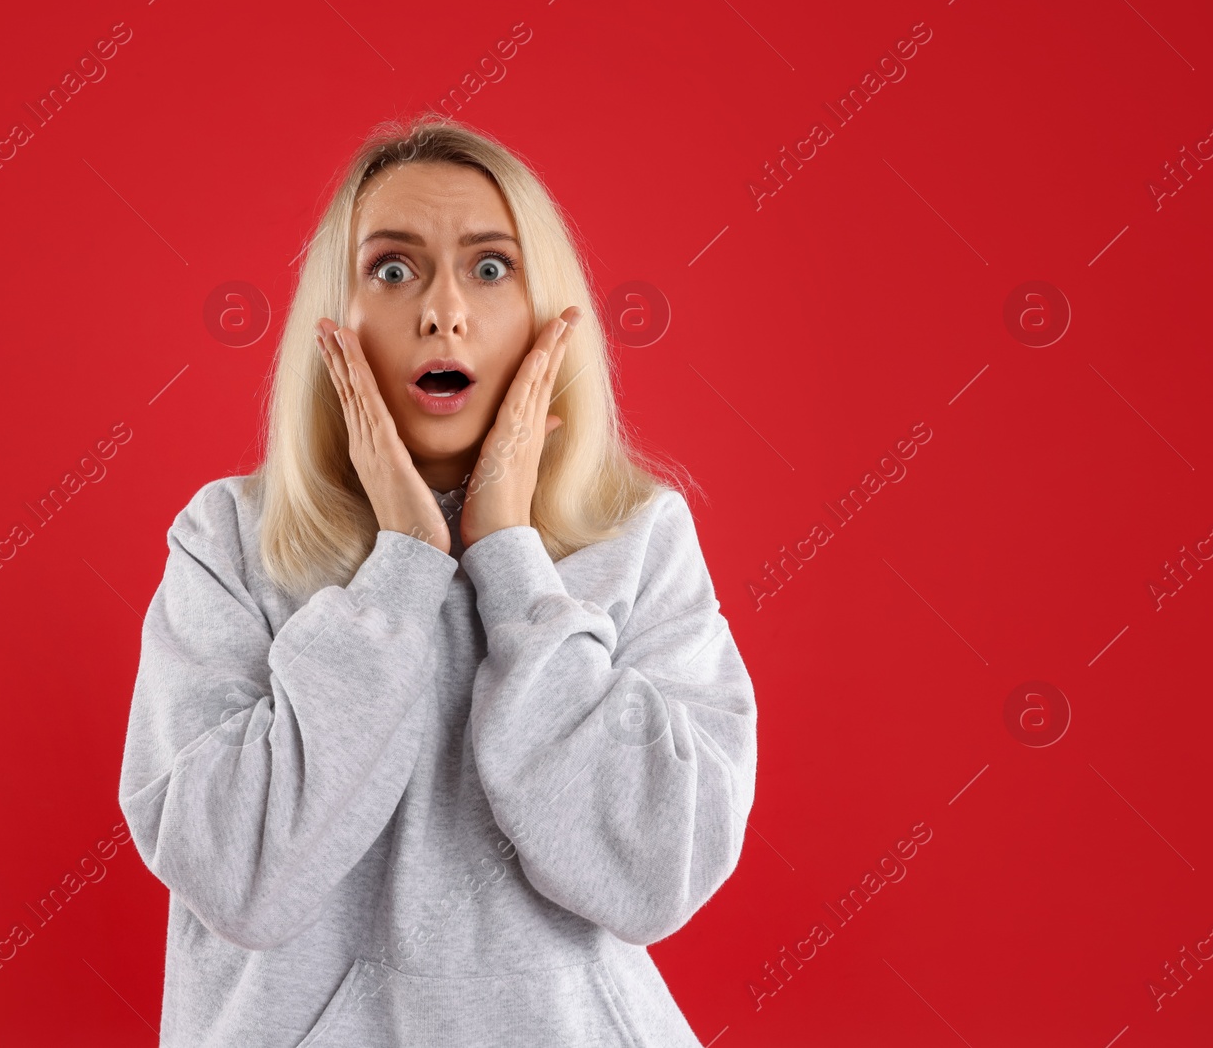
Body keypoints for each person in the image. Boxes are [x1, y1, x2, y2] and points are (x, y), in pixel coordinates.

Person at [117, 113, 757, 1048]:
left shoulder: (640, 538)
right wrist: (402, 572)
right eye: (393, 267)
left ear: (549, 317)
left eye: (490, 268)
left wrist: (508, 559)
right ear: (333, 321)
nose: (442, 311)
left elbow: (657, 871)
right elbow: (241, 875)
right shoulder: (227, 541)